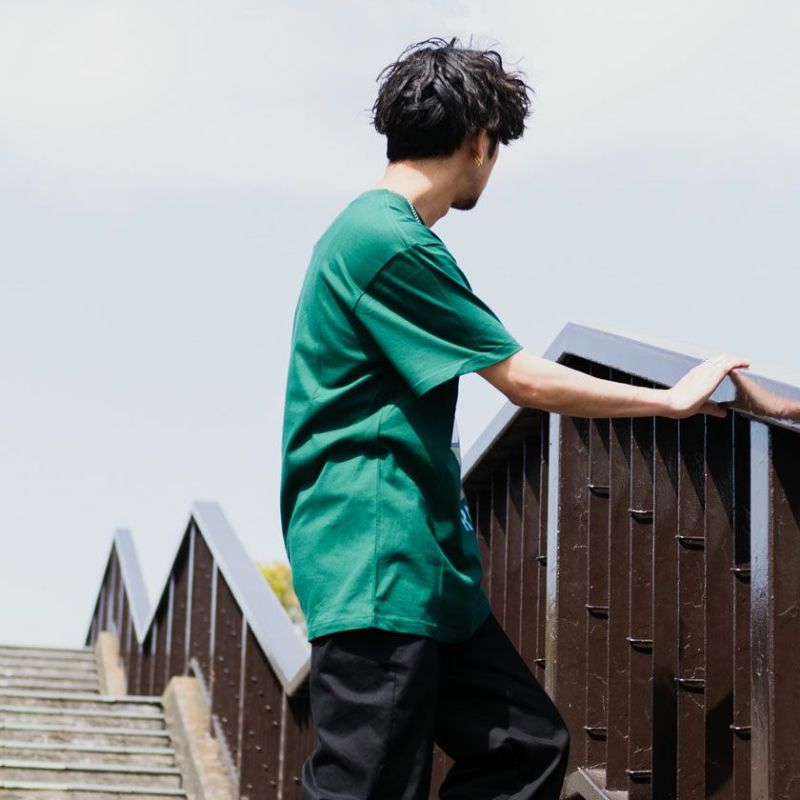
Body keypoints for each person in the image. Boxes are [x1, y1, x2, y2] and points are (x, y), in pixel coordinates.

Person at [279, 36, 749, 800]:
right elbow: (523, 378)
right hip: (377, 561)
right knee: (365, 787)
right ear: (478, 140)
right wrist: (667, 400)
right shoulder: (386, 241)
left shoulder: (380, 236)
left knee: (525, 747)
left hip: (425, 567)